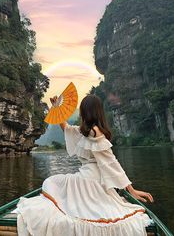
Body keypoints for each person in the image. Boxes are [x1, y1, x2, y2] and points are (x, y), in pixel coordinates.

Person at [17, 94, 154, 236]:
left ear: (84, 111)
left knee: (52, 183)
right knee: (53, 182)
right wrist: (56, 107)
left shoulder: (94, 132)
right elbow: (66, 128)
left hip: (91, 180)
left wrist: (132, 190)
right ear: (98, 111)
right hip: (88, 177)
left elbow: (112, 163)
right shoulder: (87, 131)